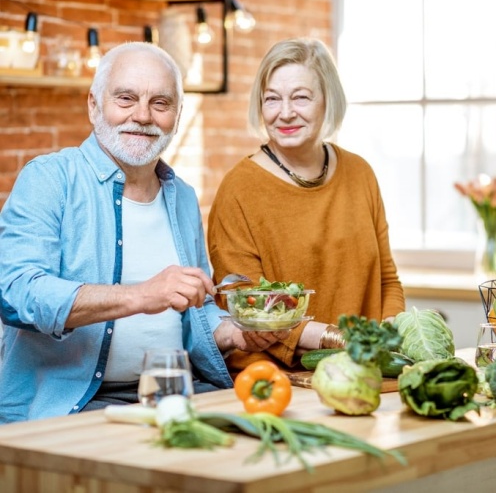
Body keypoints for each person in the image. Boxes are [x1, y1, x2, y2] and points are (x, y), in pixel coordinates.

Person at [0, 42, 288, 424]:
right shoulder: (50, 178)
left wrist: (236, 335)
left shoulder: (181, 196)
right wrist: (140, 295)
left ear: (177, 114)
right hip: (76, 403)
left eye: (160, 103)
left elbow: (195, 308)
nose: (142, 116)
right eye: (126, 98)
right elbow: (15, 293)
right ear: (94, 105)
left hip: (175, 390)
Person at [207, 38, 405, 373]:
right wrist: (340, 339)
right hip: (274, 378)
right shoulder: (239, 189)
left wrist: (388, 337)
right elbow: (249, 309)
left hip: (363, 370)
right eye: (272, 99)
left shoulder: (360, 173)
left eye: (300, 97)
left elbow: (386, 280)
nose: (285, 113)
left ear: (328, 101)